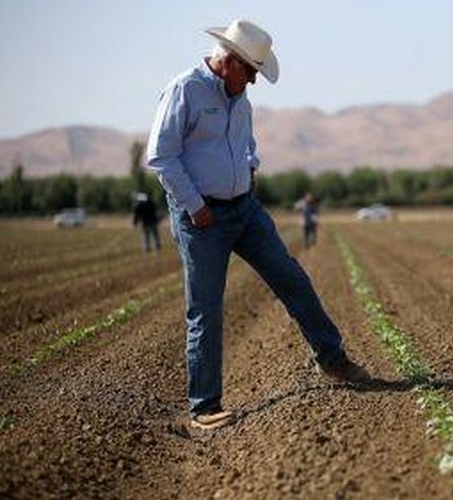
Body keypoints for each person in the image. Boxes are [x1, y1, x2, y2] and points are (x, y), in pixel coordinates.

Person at [146, 19, 370, 430]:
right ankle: (204, 407)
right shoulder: (185, 90)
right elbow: (161, 156)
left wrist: (249, 170)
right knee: (206, 309)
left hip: (244, 210)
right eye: (249, 71)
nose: (252, 81)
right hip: (202, 219)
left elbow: (248, 146)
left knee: (292, 279)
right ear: (229, 61)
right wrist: (195, 205)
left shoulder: (240, 100)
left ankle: (332, 359)